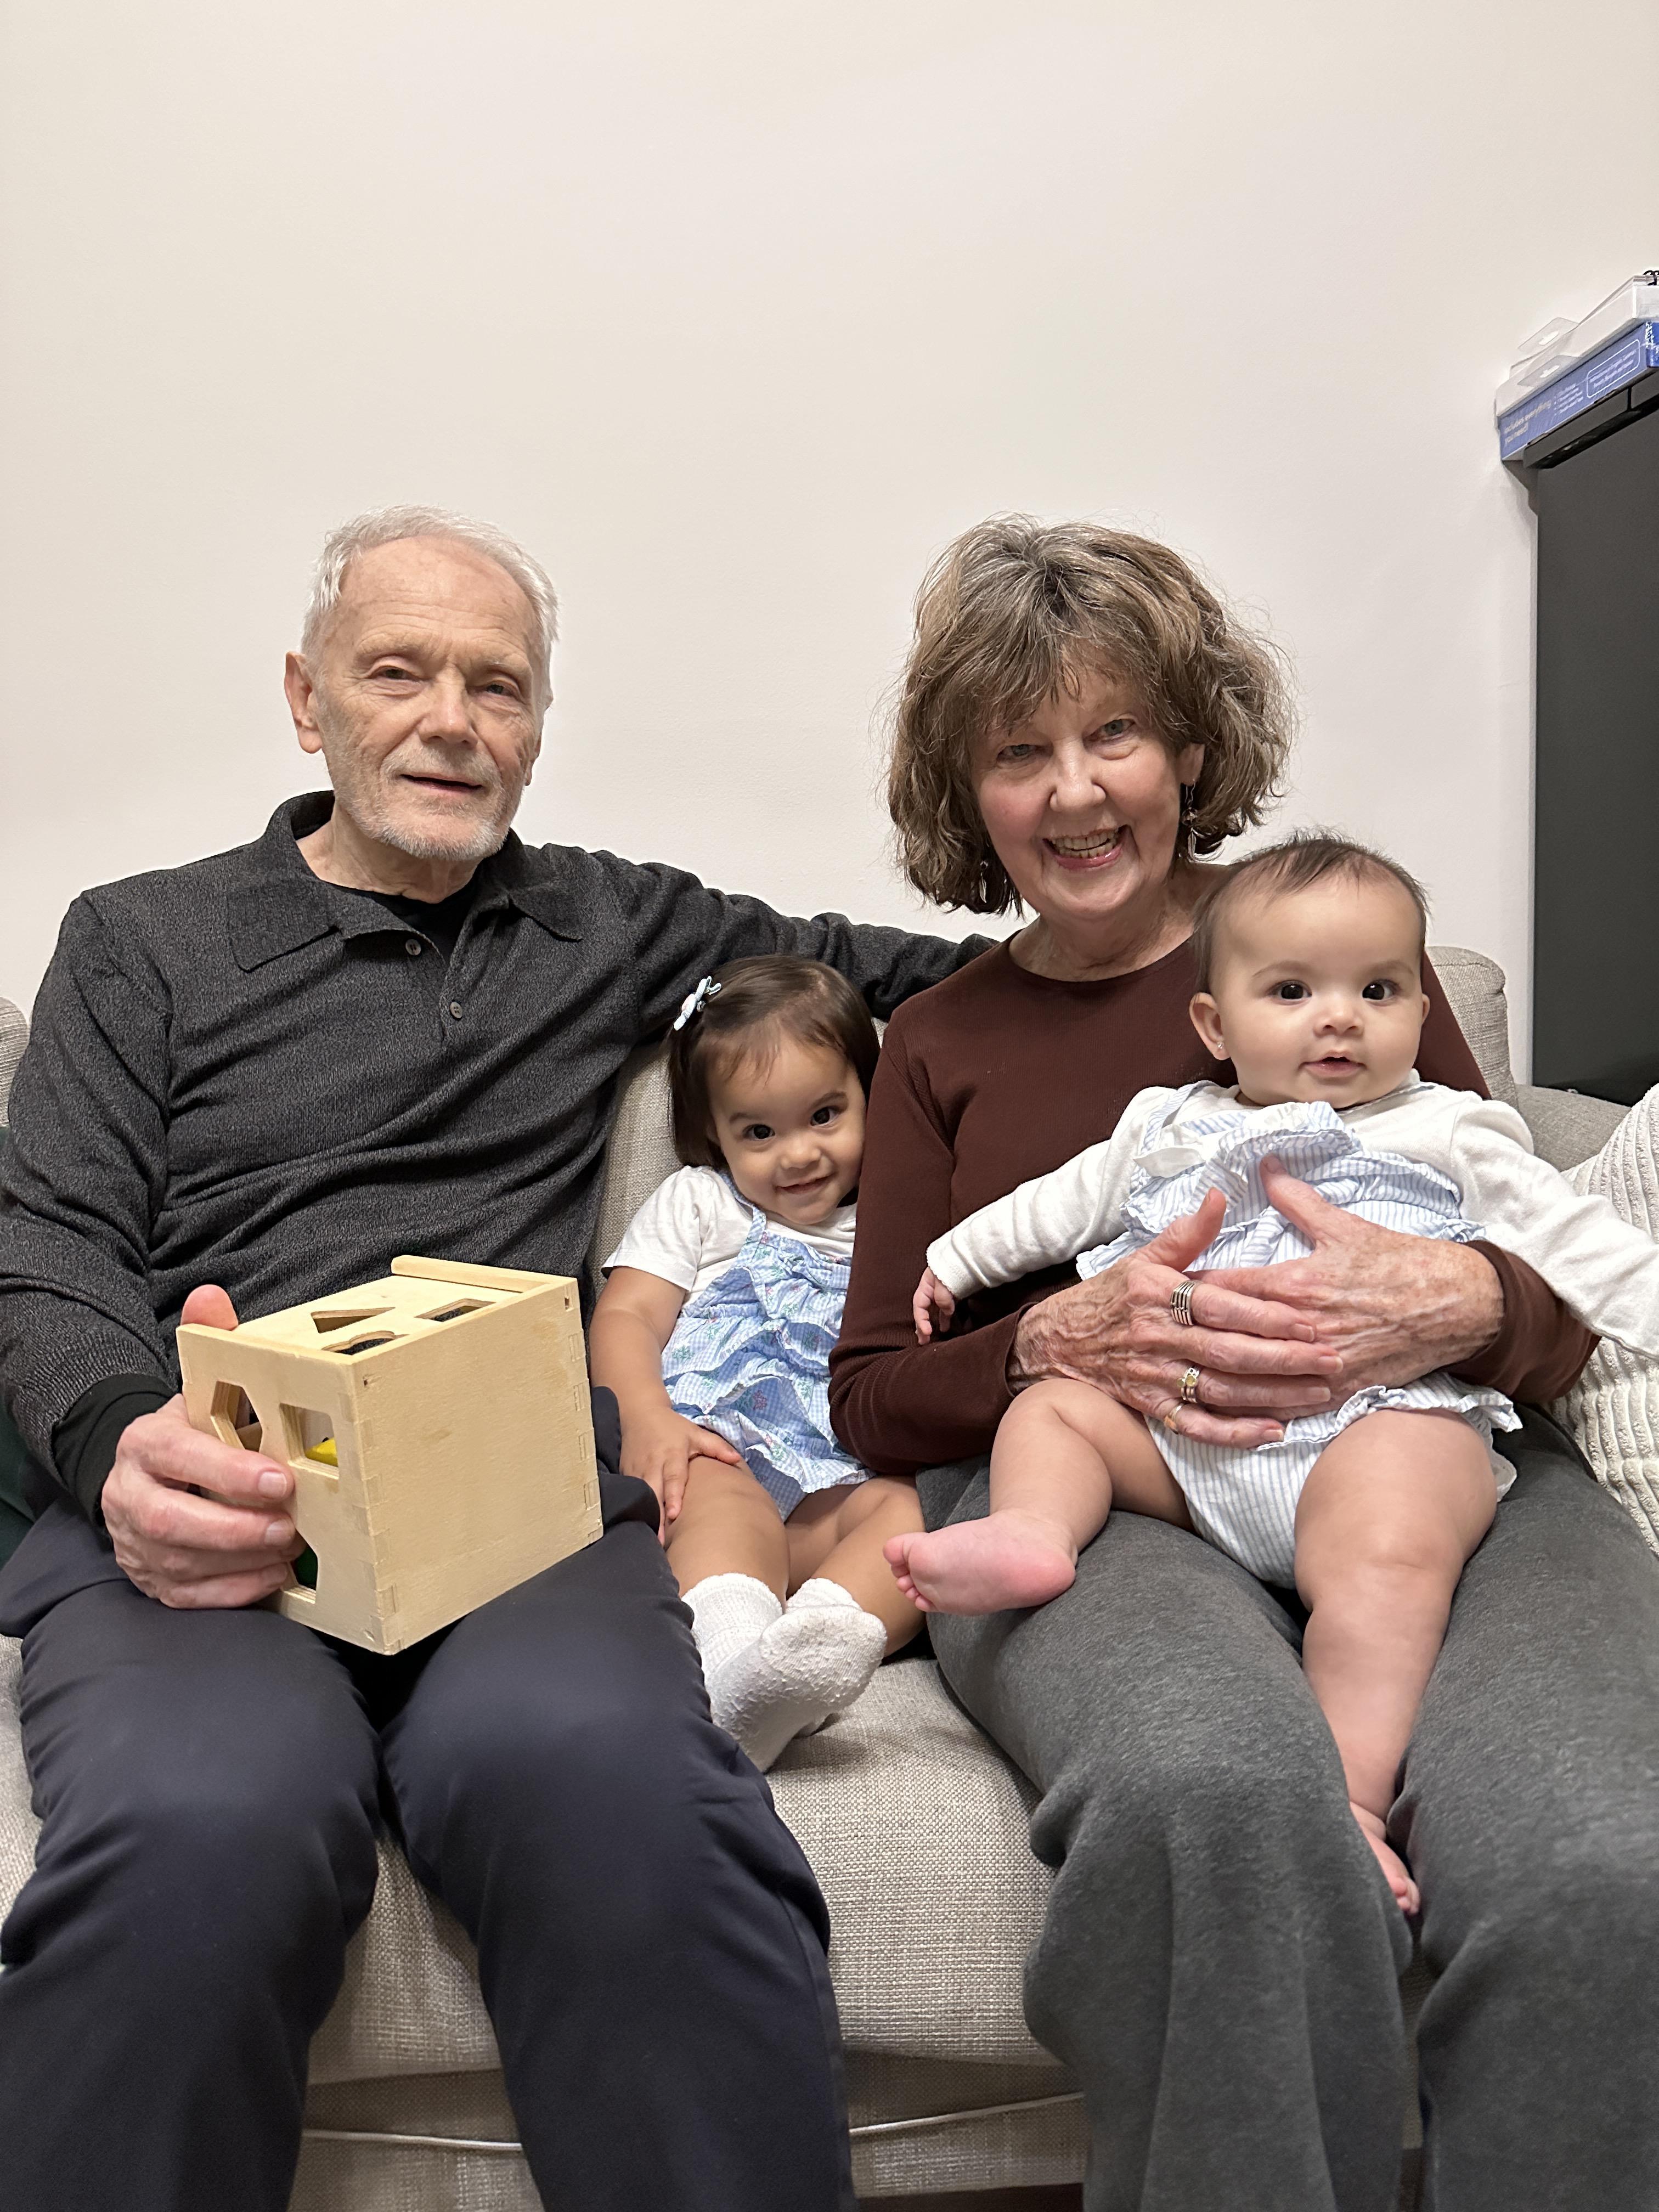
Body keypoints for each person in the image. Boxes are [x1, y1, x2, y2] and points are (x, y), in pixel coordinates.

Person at [0, 504, 989, 2212]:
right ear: (306, 700)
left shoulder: (608, 924)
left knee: (628, 1807)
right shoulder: (140, 939)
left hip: (515, 1521)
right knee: (200, 1834)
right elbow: (45, 1243)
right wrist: (118, 1447)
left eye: (499, 685)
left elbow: (928, 984)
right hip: (214, 1511)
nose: (453, 721)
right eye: (400, 672)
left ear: (537, 728)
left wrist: (1240, 959)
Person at [828, 515, 1659, 2212]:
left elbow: (1544, 1272)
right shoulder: (937, 1039)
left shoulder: (1343, 954)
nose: (1076, 791)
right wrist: (1045, 1337)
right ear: (964, 791)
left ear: (1192, 751)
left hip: (1429, 1447)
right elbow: (868, 1388)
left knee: (1600, 1841)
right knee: (1213, 1808)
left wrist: (1459, 1302)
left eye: (1115, 732)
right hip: (1124, 1482)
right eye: (1020, 751)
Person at [890, 833, 1659, 1911]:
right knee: (1058, 1408)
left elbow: (1577, 1244)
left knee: (1389, 1556)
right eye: (1293, 991)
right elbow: (1059, 1204)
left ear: (1421, 1012)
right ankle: (1033, 1530)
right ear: (1216, 1025)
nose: (1339, 1018)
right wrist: (955, 1260)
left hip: (1373, 1426)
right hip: (1190, 1450)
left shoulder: (1453, 1130)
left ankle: (1349, 1798)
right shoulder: (1170, 1124)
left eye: (1377, 991)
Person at [591, 954, 923, 1769]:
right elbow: (627, 1315)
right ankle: (736, 1661)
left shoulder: (898, 1219)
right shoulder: (701, 1202)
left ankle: (813, 1650)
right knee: (718, 1497)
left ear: (872, 1095)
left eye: (825, 1115)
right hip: (715, 1458)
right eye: (760, 1133)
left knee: (912, 1513)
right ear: (716, 1135)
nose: (798, 1155)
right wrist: (648, 1419)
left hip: (831, 1489)